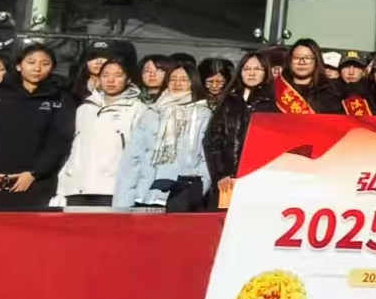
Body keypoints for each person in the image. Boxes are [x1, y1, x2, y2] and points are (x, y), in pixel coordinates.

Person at [0, 42, 77, 211]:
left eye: (45, 64)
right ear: (18, 65)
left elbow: (60, 141)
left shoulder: (60, 99)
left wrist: (35, 173)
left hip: (36, 185)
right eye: (31, 62)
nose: (37, 68)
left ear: (52, 68)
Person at [115, 63, 213, 212]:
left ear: (193, 83)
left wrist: (198, 190)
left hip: (181, 192)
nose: (177, 84)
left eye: (184, 79)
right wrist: (124, 197)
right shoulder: (153, 112)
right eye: (173, 79)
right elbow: (133, 156)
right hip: (145, 191)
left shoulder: (202, 114)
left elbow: (205, 158)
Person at [56, 57, 147, 208]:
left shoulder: (138, 109)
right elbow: (74, 149)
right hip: (77, 188)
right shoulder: (84, 108)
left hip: (113, 189)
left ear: (128, 79)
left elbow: (142, 153)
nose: (111, 80)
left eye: (118, 75)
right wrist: (64, 185)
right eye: (105, 75)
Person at [204, 52, 271, 204]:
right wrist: (221, 173)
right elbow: (213, 139)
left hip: (261, 178)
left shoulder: (273, 102)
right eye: (246, 69)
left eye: (257, 69)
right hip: (227, 179)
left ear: (266, 72)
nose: (251, 73)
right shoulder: (229, 100)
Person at [284, 39, 341, 113]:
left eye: (308, 58)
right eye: (297, 57)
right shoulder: (278, 89)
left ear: (316, 61)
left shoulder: (330, 92)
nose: (302, 62)